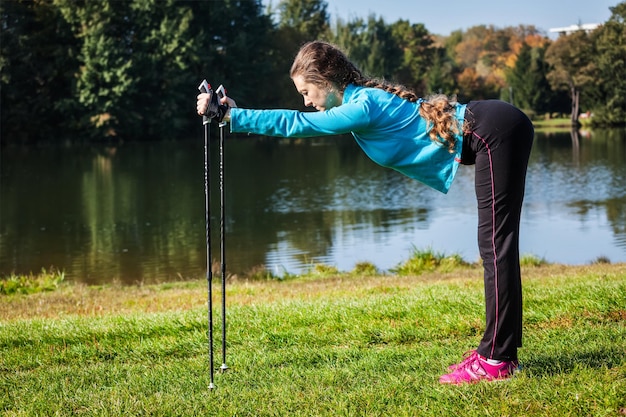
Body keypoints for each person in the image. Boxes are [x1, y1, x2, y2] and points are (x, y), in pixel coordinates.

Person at [196, 40, 534, 385]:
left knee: (496, 246)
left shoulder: (363, 106)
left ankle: (496, 359)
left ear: (325, 81)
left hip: (493, 131)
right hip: (495, 127)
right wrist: (233, 113)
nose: (306, 101)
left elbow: (297, 124)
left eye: (307, 91)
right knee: (496, 246)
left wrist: (233, 116)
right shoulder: (361, 99)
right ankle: (497, 353)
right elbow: (298, 117)